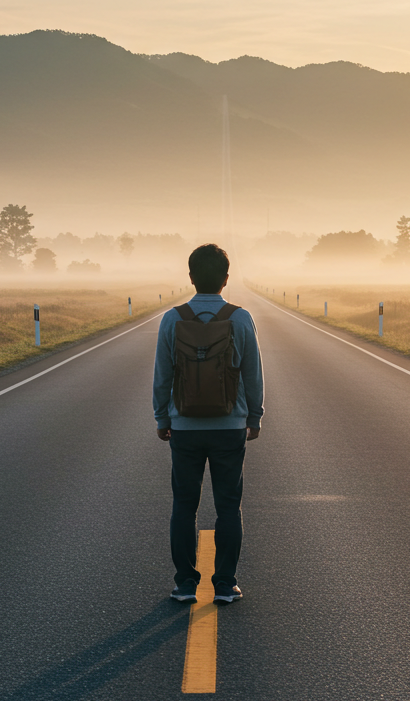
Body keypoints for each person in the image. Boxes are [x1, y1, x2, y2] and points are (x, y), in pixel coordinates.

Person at [153, 243, 264, 605]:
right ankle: (224, 584)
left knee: (184, 505)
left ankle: (185, 584)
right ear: (226, 279)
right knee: (228, 506)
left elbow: (162, 375)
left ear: (190, 277)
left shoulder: (173, 318)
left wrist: (162, 417)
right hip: (229, 426)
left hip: (184, 428)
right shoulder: (240, 317)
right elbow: (252, 374)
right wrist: (255, 416)